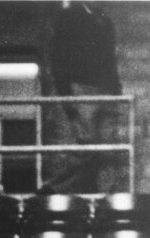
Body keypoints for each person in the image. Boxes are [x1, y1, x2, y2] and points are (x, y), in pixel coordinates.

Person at [44, 1, 123, 193]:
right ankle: (61, 205)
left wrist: (115, 91)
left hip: (104, 93)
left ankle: (107, 204)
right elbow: (58, 61)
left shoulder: (103, 19)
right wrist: (69, 103)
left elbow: (109, 59)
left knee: (107, 152)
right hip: (78, 91)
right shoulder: (67, 16)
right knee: (75, 152)